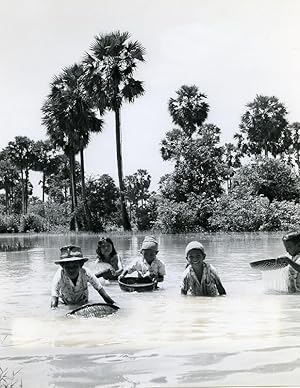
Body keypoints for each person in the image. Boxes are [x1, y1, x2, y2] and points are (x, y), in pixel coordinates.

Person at [51, 245, 116, 308]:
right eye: (67, 267)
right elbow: (54, 301)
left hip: (83, 304)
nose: (71, 270)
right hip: (65, 304)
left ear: (81, 265)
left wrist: (116, 306)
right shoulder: (58, 276)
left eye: (75, 266)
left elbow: (103, 293)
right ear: (62, 267)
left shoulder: (86, 273)